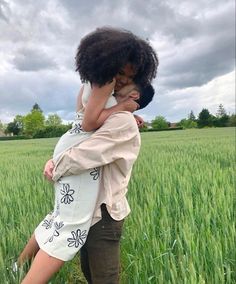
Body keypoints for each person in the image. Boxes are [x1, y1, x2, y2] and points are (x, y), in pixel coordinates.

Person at [18, 27, 158, 283]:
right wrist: (55, 161)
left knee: (103, 277)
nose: (117, 85)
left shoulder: (123, 122)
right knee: (79, 256)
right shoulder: (111, 109)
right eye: (117, 75)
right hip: (87, 206)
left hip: (103, 215)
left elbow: (84, 154)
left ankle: (20, 270)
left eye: (124, 80)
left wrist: (56, 163)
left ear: (135, 94)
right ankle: (19, 269)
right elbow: (85, 128)